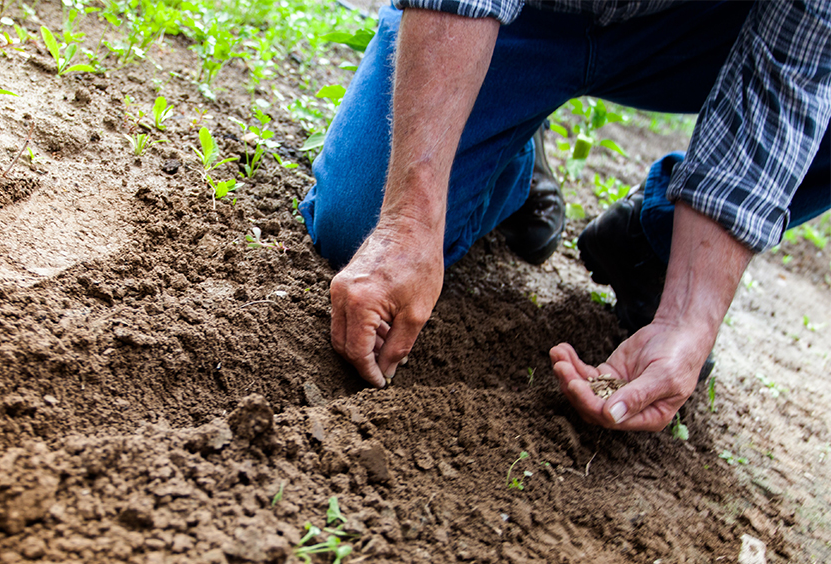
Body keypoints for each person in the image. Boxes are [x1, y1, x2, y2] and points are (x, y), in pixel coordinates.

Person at [297, 0, 831, 432]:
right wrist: (408, 222)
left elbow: (791, 76)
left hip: (698, 27)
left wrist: (688, 317)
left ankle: (657, 243)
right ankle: (513, 158)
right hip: (526, 15)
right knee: (358, 223)